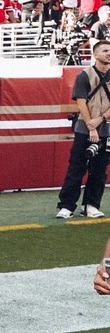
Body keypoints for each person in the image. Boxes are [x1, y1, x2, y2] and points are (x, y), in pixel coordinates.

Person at [56, 40, 110, 219]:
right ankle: (66, 206)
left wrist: (101, 119)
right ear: (95, 55)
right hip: (84, 128)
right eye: (104, 50)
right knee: (77, 167)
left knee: (100, 169)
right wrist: (91, 126)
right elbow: (81, 103)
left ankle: (91, 205)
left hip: (106, 129)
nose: (108, 53)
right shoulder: (84, 75)